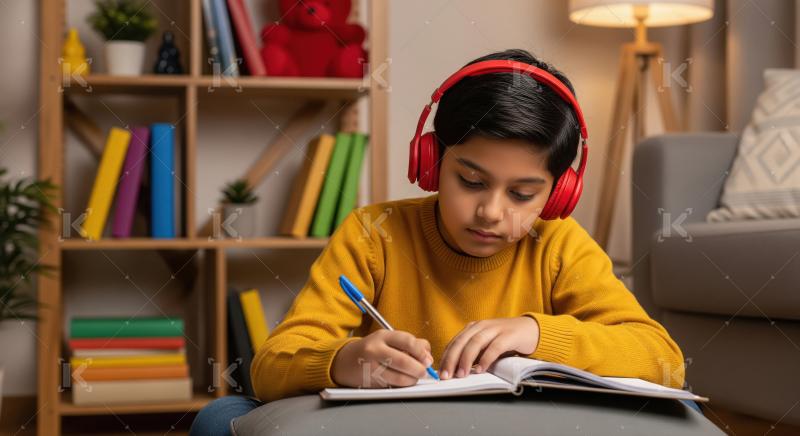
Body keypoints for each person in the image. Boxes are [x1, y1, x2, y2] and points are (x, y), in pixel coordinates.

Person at [189, 48, 698, 436]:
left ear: (561, 191)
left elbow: (664, 360)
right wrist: (347, 361)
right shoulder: (374, 233)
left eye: (523, 194)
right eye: (471, 181)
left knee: (685, 416)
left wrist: (538, 334)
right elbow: (271, 366)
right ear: (430, 162)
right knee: (222, 416)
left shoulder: (560, 244)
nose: (491, 212)